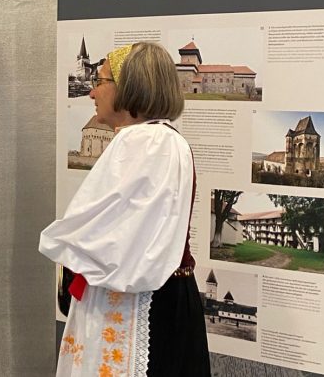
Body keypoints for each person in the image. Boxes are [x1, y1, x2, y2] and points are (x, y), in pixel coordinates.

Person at [39, 42, 210, 376]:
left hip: (142, 304)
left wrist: (66, 246)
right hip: (171, 295)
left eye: (101, 81)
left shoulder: (142, 141)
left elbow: (110, 240)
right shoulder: (167, 139)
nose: (92, 92)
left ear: (129, 87)